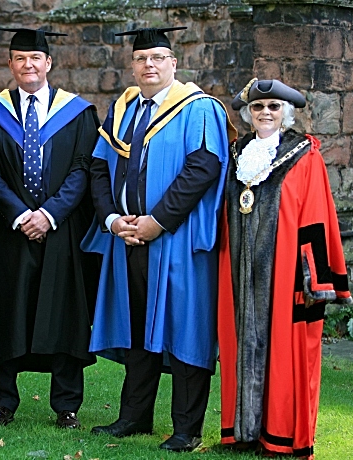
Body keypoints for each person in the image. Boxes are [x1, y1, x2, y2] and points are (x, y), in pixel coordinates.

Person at [81, 27, 237, 452]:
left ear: (173, 63)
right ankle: (134, 416)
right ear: (132, 65)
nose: (148, 65)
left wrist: (158, 221)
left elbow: (203, 168)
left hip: (181, 241)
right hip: (127, 237)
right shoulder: (122, 108)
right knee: (136, 330)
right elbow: (98, 168)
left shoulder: (198, 108)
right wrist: (113, 219)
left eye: (158, 58)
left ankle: (186, 429)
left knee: (187, 329)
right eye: (141, 58)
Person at [218, 79, 352, 459]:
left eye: (274, 107)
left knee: (285, 352)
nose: (265, 113)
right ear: (248, 113)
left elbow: (317, 217)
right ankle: (242, 431)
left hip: (285, 271)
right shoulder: (236, 154)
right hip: (239, 271)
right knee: (239, 342)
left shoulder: (304, 155)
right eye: (258, 107)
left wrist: (313, 278)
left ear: (286, 113)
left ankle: (280, 435)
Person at [0, 28, 100, 429]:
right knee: (8, 312)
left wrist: (48, 214)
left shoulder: (79, 112)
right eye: (19, 59)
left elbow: (84, 168)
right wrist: (19, 214)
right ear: (11, 64)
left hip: (60, 230)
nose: (28, 66)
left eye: (35, 59)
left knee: (64, 314)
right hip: (12, 231)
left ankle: (67, 405)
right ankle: (3, 403)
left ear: (48, 63)